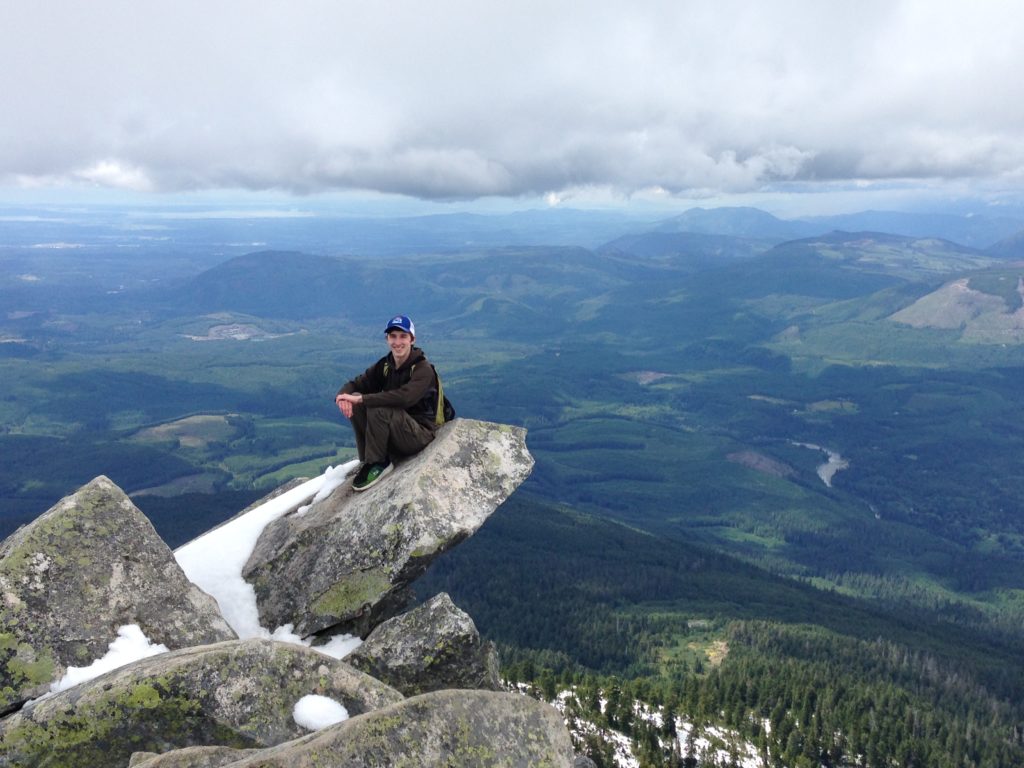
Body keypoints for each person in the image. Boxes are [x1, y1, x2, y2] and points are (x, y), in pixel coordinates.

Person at [335, 315, 443, 491]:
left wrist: (363, 398)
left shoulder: (423, 369)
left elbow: (404, 397)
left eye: (403, 336)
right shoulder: (386, 365)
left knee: (378, 406)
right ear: (387, 339)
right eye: (393, 336)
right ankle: (368, 460)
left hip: (419, 434)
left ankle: (379, 463)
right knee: (356, 399)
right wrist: (342, 397)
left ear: (412, 339)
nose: (397, 342)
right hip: (399, 429)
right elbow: (356, 384)